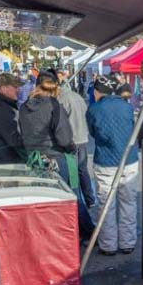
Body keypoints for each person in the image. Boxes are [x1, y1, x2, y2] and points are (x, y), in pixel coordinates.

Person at [20, 73, 94, 238]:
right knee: (72, 195)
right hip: (56, 157)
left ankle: (50, 233)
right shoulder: (54, 105)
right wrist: (71, 147)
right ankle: (87, 231)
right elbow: (63, 136)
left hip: (34, 158)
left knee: (44, 199)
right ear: (55, 88)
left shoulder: (24, 106)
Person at [86, 76, 139, 255]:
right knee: (128, 201)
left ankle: (108, 245)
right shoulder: (127, 106)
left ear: (97, 91)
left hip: (105, 160)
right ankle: (128, 243)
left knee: (106, 204)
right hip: (129, 159)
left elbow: (93, 132)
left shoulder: (93, 109)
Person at [56, 68, 96, 208]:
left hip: (71, 140)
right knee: (83, 170)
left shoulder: (62, 99)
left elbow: (61, 122)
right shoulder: (78, 97)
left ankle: (76, 201)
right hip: (82, 138)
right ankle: (90, 199)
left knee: (73, 173)